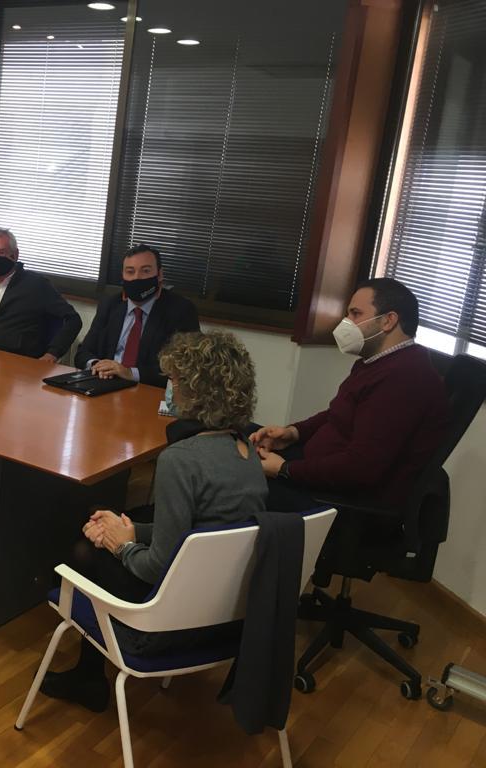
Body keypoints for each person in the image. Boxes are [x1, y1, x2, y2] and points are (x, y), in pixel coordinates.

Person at [41, 331, 267, 712]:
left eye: (174, 380)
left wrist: (120, 544)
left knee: (84, 550)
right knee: (104, 531)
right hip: (227, 618)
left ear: (197, 390)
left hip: (165, 626)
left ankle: (88, 677)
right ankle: (87, 671)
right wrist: (128, 530)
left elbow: (155, 567)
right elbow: (198, 534)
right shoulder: (247, 452)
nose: (168, 389)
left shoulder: (181, 460)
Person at [251, 278, 447, 510]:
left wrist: (285, 470)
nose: (346, 322)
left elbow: (361, 468)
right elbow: (337, 414)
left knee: (236, 482)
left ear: (388, 321)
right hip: (317, 469)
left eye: (355, 314)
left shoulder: (405, 378)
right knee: (241, 436)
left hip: (343, 500)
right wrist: (293, 433)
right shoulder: (375, 362)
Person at [75, 244, 199, 387]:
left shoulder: (181, 310)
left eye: (145, 271)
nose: (137, 278)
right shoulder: (110, 305)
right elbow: (83, 352)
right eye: (130, 272)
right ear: (123, 275)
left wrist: (130, 373)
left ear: (159, 274)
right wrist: (97, 365)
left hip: (147, 389)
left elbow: (185, 367)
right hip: (104, 383)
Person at [0, 228, 82, 361]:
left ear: (15, 254)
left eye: (2, 252)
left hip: (16, 361)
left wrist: (52, 354)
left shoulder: (36, 284)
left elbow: (73, 320)